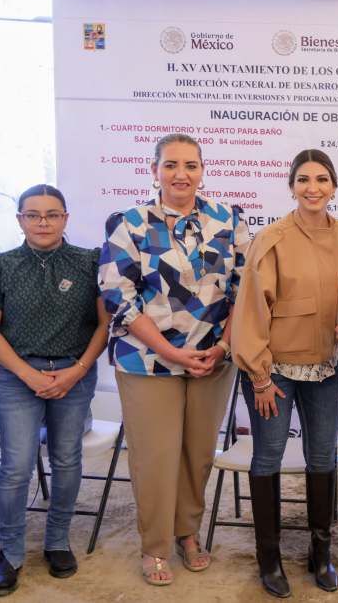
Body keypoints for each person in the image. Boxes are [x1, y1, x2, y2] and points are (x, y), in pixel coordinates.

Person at [99, 133, 250, 586]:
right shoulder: (129, 223)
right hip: (148, 361)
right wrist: (169, 351)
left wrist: (222, 348)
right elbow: (118, 297)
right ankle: (156, 546)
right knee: (155, 457)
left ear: (202, 170)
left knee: (197, 453)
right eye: (170, 165)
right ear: (154, 171)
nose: (180, 174)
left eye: (190, 165)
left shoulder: (229, 219)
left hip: (211, 359)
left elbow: (244, 290)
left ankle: (188, 533)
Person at [232, 149, 338, 597]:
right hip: (275, 372)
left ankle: (320, 554)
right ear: (291, 186)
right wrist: (260, 377)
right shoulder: (271, 239)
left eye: (321, 179)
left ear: (334, 187)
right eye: (303, 179)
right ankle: (269, 559)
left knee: (323, 458)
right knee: (268, 457)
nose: (312, 188)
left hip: (324, 368)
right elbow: (251, 312)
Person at [0, 185, 109, 595]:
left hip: (73, 376)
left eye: (52, 214)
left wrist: (76, 372)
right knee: (15, 466)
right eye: (33, 215)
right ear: (20, 220)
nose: (42, 222)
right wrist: (28, 376)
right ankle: (9, 550)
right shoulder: (3, 265)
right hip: (16, 377)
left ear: (65, 218)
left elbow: (105, 325)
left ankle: (57, 541)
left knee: (66, 460)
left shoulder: (89, 262)